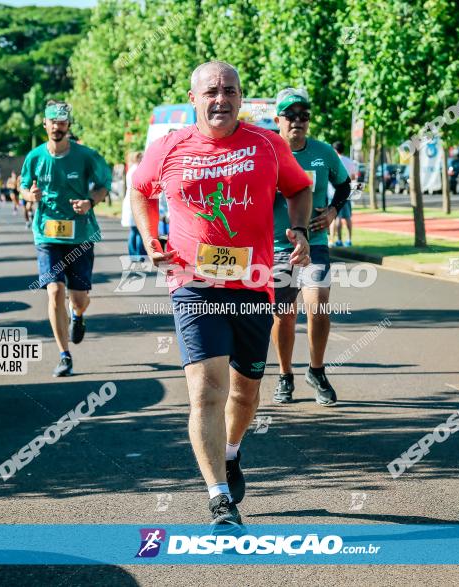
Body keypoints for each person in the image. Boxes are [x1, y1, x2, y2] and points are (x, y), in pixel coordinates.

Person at [130, 62, 312, 530]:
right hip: (193, 284)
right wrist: (152, 239)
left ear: (240, 98)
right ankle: (218, 501)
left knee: (245, 394)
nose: (221, 99)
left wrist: (296, 227)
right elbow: (139, 190)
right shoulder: (168, 147)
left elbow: (298, 188)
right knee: (206, 389)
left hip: (252, 283)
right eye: (211, 91)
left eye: (230, 91)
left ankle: (231, 451)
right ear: (193, 97)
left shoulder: (267, 144)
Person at [271, 88, 352, 407]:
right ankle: (285, 374)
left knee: (318, 304)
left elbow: (345, 185)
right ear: (278, 119)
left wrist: (333, 211)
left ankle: (316, 371)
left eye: (304, 116)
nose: (297, 122)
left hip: (315, 243)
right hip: (276, 245)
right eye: (290, 116)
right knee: (284, 315)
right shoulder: (267, 150)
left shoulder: (323, 153)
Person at [20, 100, 112, 377]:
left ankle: (79, 315)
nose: (57, 127)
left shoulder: (86, 156)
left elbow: (104, 186)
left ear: (68, 126)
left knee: (79, 297)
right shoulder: (35, 157)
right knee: (54, 291)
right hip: (47, 233)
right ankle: (64, 355)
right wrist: (29, 196)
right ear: (45, 125)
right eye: (53, 122)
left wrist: (89, 201)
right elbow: (23, 186)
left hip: (81, 234)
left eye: (62, 123)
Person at [329, 141, 358, 247]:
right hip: (348, 192)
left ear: (335, 150)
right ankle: (349, 240)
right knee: (348, 217)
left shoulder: (335, 161)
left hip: (335, 193)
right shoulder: (350, 161)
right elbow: (354, 177)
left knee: (336, 217)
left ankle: (336, 240)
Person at [121, 151, 146, 258]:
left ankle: (134, 253)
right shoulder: (136, 169)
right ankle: (138, 253)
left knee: (135, 230)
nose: (143, 159)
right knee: (138, 230)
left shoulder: (132, 169)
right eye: (140, 157)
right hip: (134, 202)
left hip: (132, 201)